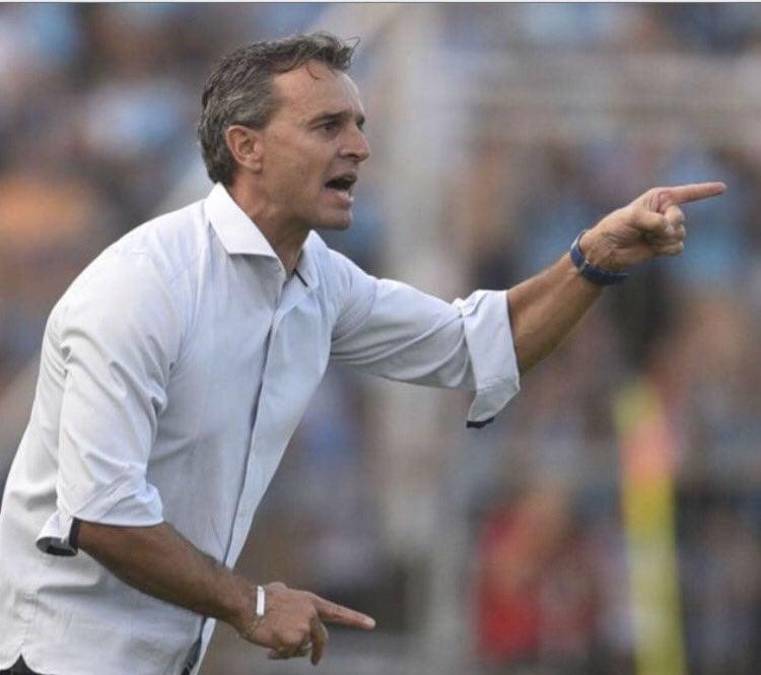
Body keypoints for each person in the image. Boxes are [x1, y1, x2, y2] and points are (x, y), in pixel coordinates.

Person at [0, 32, 725, 675]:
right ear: (246, 147)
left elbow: (474, 345)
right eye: (327, 126)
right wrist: (250, 602)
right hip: (54, 659)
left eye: (359, 125)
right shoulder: (140, 288)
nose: (359, 147)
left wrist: (594, 257)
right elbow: (100, 514)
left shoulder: (318, 278)